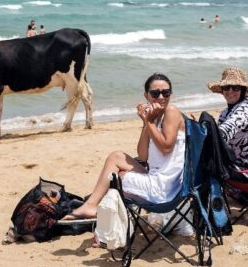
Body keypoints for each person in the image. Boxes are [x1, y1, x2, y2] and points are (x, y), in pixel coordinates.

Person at [63, 73, 186, 220]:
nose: (161, 97)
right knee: (116, 157)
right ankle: (92, 205)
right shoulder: (155, 117)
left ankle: (94, 207)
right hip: (159, 178)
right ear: (146, 95)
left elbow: (166, 148)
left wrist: (150, 121)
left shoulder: (171, 111)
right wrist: (146, 122)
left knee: (116, 177)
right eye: (155, 93)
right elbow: (143, 156)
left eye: (166, 93)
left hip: (165, 189)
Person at [206, 68, 248, 169]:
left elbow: (229, 127)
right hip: (231, 162)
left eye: (235, 87)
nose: (230, 91)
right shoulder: (224, 113)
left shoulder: (245, 108)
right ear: (222, 91)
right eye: (227, 87)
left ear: (242, 90)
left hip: (247, 166)